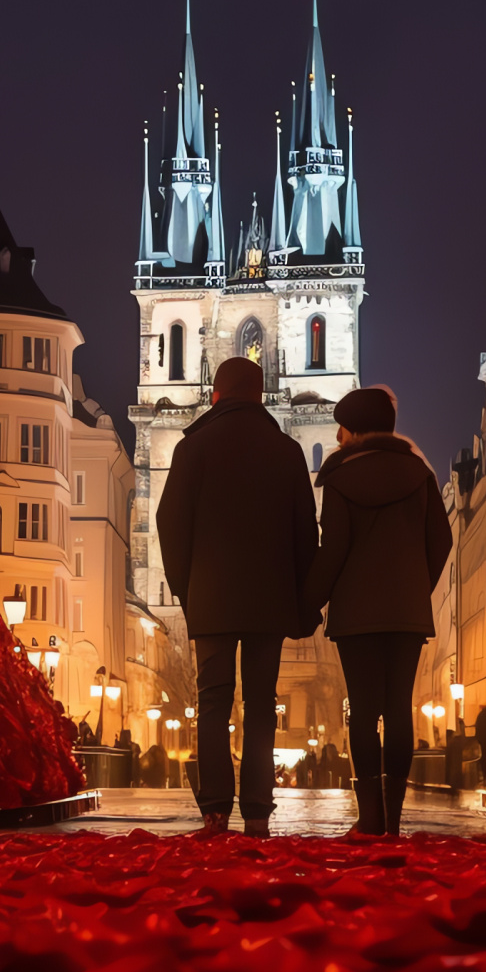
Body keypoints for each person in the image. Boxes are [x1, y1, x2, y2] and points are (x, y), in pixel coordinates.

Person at [157, 355, 319, 840]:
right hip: (269, 601)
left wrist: (186, 587)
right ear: (261, 392)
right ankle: (257, 813)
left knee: (213, 702)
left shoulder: (193, 448)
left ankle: (213, 811)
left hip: (210, 597)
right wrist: (300, 599)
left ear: (215, 395)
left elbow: (169, 523)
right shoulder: (287, 451)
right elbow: (304, 534)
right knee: (262, 705)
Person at [303, 386, 454, 836]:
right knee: (398, 709)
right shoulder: (419, 474)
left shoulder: (341, 478)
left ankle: (369, 818)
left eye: (341, 428)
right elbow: (441, 542)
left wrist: (309, 603)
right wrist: (414, 587)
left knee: (364, 713)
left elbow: (333, 550)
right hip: (406, 614)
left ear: (353, 430)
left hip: (356, 614)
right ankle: (395, 819)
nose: (337, 436)